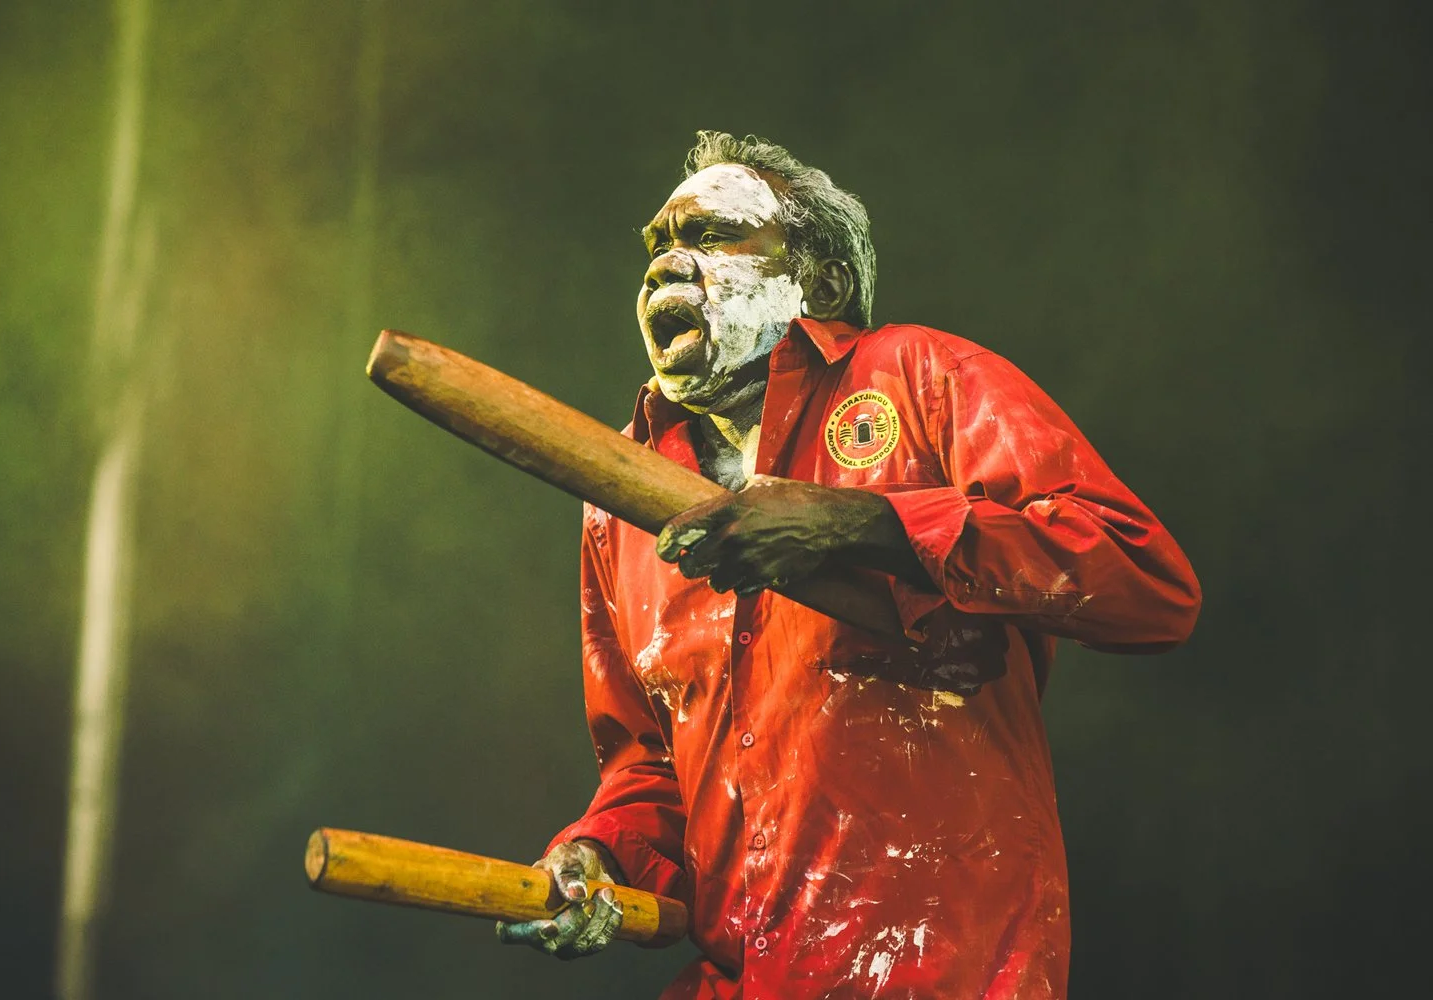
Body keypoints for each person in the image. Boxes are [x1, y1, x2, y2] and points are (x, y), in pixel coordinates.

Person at [495, 130, 1200, 999]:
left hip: (945, 971)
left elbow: (1147, 583)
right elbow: (648, 765)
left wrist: (870, 525)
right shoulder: (620, 501)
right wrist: (599, 852)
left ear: (820, 283)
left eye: (711, 234)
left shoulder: (921, 375)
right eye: (656, 246)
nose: (664, 265)